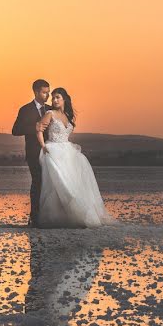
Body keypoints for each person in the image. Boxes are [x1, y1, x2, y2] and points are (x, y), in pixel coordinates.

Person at [36, 88, 115, 228]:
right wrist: (43, 146)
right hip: (53, 150)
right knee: (61, 184)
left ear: (64, 99)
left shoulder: (68, 116)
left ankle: (79, 215)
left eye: (57, 97)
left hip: (68, 152)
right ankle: (64, 216)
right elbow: (39, 130)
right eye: (53, 98)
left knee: (75, 184)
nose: (54, 100)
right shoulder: (50, 113)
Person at [12, 79, 52, 227]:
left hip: (51, 153)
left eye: (48, 92)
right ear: (36, 92)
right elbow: (15, 131)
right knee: (38, 182)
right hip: (34, 154)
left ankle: (49, 215)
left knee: (50, 183)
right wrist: (34, 127)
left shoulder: (50, 109)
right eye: (44, 92)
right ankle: (34, 217)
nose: (47, 95)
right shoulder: (25, 110)